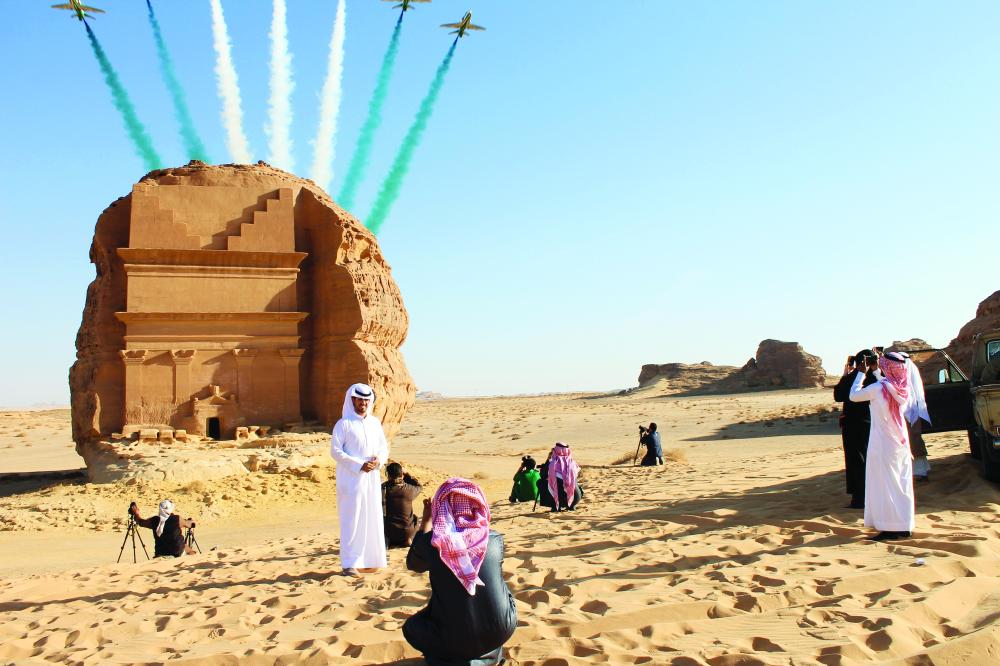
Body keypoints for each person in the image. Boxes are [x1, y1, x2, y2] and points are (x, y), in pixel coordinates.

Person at [403, 479, 517, 665]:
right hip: (501, 629)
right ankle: (489, 652)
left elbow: (414, 564)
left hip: (453, 636)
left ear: (441, 507)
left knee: (412, 627)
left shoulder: (433, 543)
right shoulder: (494, 539)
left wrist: (426, 521)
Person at [849, 351, 927, 541]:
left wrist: (860, 373)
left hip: (883, 442)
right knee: (901, 484)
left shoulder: (878, 388)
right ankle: (904, 525)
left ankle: (889, 528)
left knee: (885, 485)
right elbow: (888, 385)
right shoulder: (904, 389)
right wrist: (876, 371)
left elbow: (854, 396)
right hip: (900, 443)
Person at [330, 383, 389, 575]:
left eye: (366, 400)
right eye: (359, 399)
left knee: (372, 517)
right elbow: (336, 452)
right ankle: (349, 564)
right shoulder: (343, 424)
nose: (363, 403)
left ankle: (371, 560)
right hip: (351, 479)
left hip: (372, 477)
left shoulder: (374, 423)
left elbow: (383, 447)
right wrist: (358, 465)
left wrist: (378, 460)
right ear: (352, 400)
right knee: (351, 520)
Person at [833, 349, 878, 508]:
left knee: (855, 462)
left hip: (853, 425)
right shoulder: (876, 378)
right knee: (870, 460)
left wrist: (846, 375)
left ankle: (859, 498)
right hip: (872, 424)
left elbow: (838, 396)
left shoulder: (853, 378)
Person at [130, 499, 196, 558]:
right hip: (177, 551)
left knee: (184, 547)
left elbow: (141, 522)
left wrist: (136, 513)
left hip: (161, 552)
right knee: (190, 551)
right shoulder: (177, 519)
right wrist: (191, 521)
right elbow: (189, 524)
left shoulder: (154, 520)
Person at [383, 462, 422, 547]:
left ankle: (393, 541)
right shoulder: (409, 489)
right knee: (415, 518)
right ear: (402, 475)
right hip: (407, 532)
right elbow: (419, 486)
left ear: (388, 475)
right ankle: (407, 539)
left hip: (389, 532)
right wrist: (407, 474)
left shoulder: (383, 489)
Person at [546, 442, 582, 512]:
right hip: (576, 499)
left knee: (542, 483)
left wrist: (548, 459)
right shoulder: (573, 463)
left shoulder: (552, 464)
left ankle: (555, 507)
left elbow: (542, 475)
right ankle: (572, 506)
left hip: (561, 501)